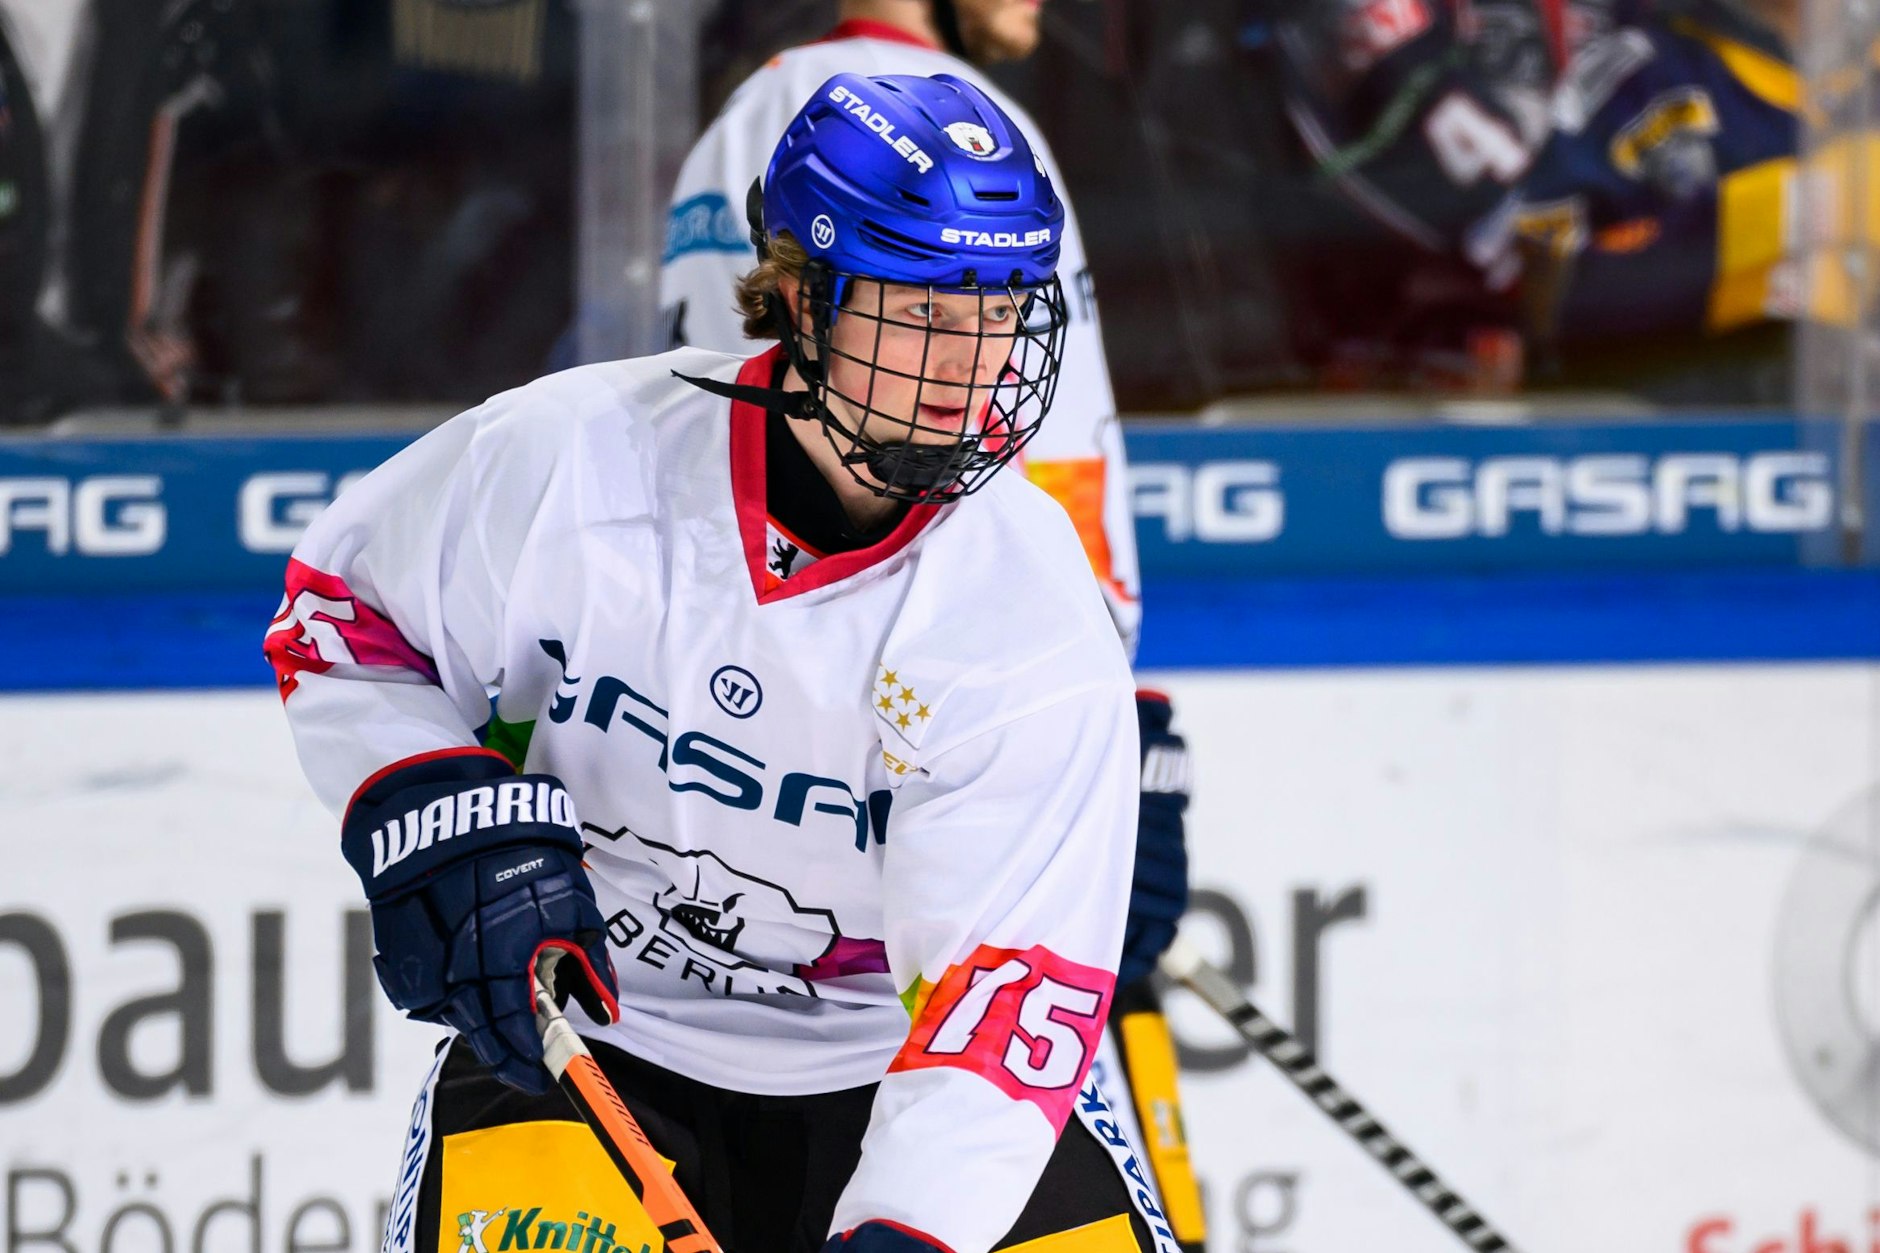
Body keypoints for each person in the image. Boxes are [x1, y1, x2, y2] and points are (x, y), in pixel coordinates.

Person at [268, 71, 1176, 1253]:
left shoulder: (1025, 609)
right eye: (924, 311)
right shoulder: (570, 459)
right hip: (590, 1040)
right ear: (799, 298)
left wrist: (905, 1234)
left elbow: (998, 1018)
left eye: (999, 308)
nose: (971, 363)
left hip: (900, 1077)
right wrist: (432, 803)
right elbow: (343, 614)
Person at [660, 11, 1204, 1246]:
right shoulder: (950, 137)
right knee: (986, 1125)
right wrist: (1115, 725)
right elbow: (1014, 467)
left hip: (759, 743)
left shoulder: (749, 121)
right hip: (943, 737)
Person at [1494, 0, 1800, 400]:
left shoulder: (1864, 80)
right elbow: (1547, 302)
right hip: (1681, 419)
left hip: (1848, 417)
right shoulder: (1639, 78)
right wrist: (1792, 211)